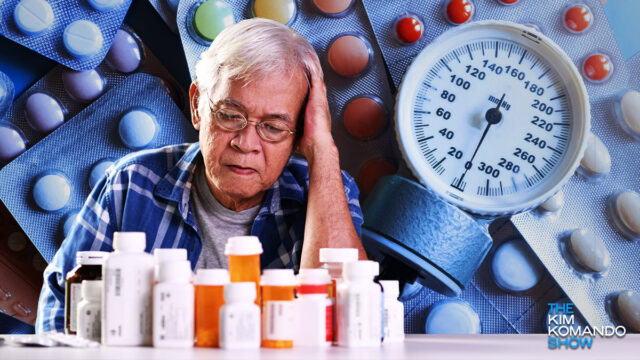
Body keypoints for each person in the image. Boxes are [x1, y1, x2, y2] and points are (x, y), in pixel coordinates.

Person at [35, 18, 366, 332]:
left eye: (273, 127)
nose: (245, 143)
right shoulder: (131, 184)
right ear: (196, 106)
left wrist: (323, 148)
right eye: (229, 115)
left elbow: (346, 318)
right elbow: (62, 310)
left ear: (298, 134)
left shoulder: (325, 193)